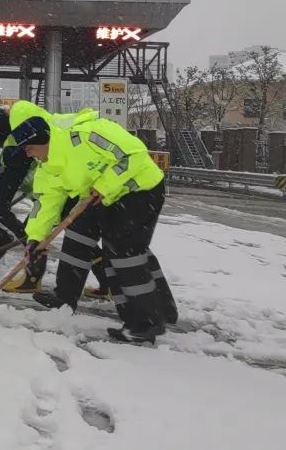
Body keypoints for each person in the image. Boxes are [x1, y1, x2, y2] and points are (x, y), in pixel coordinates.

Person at [14, 114, 178, 344]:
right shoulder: (48, 168)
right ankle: (151, 313)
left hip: (141, 189)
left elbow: (135, 156)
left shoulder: (88, 135)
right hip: (109, 198)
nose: (27, 154)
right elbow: (45, 204)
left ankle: (147, 322)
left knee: (125, 252)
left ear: (45, 140)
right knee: (114, 252)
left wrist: (104, 185)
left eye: (30, 148)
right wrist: (35, 239)